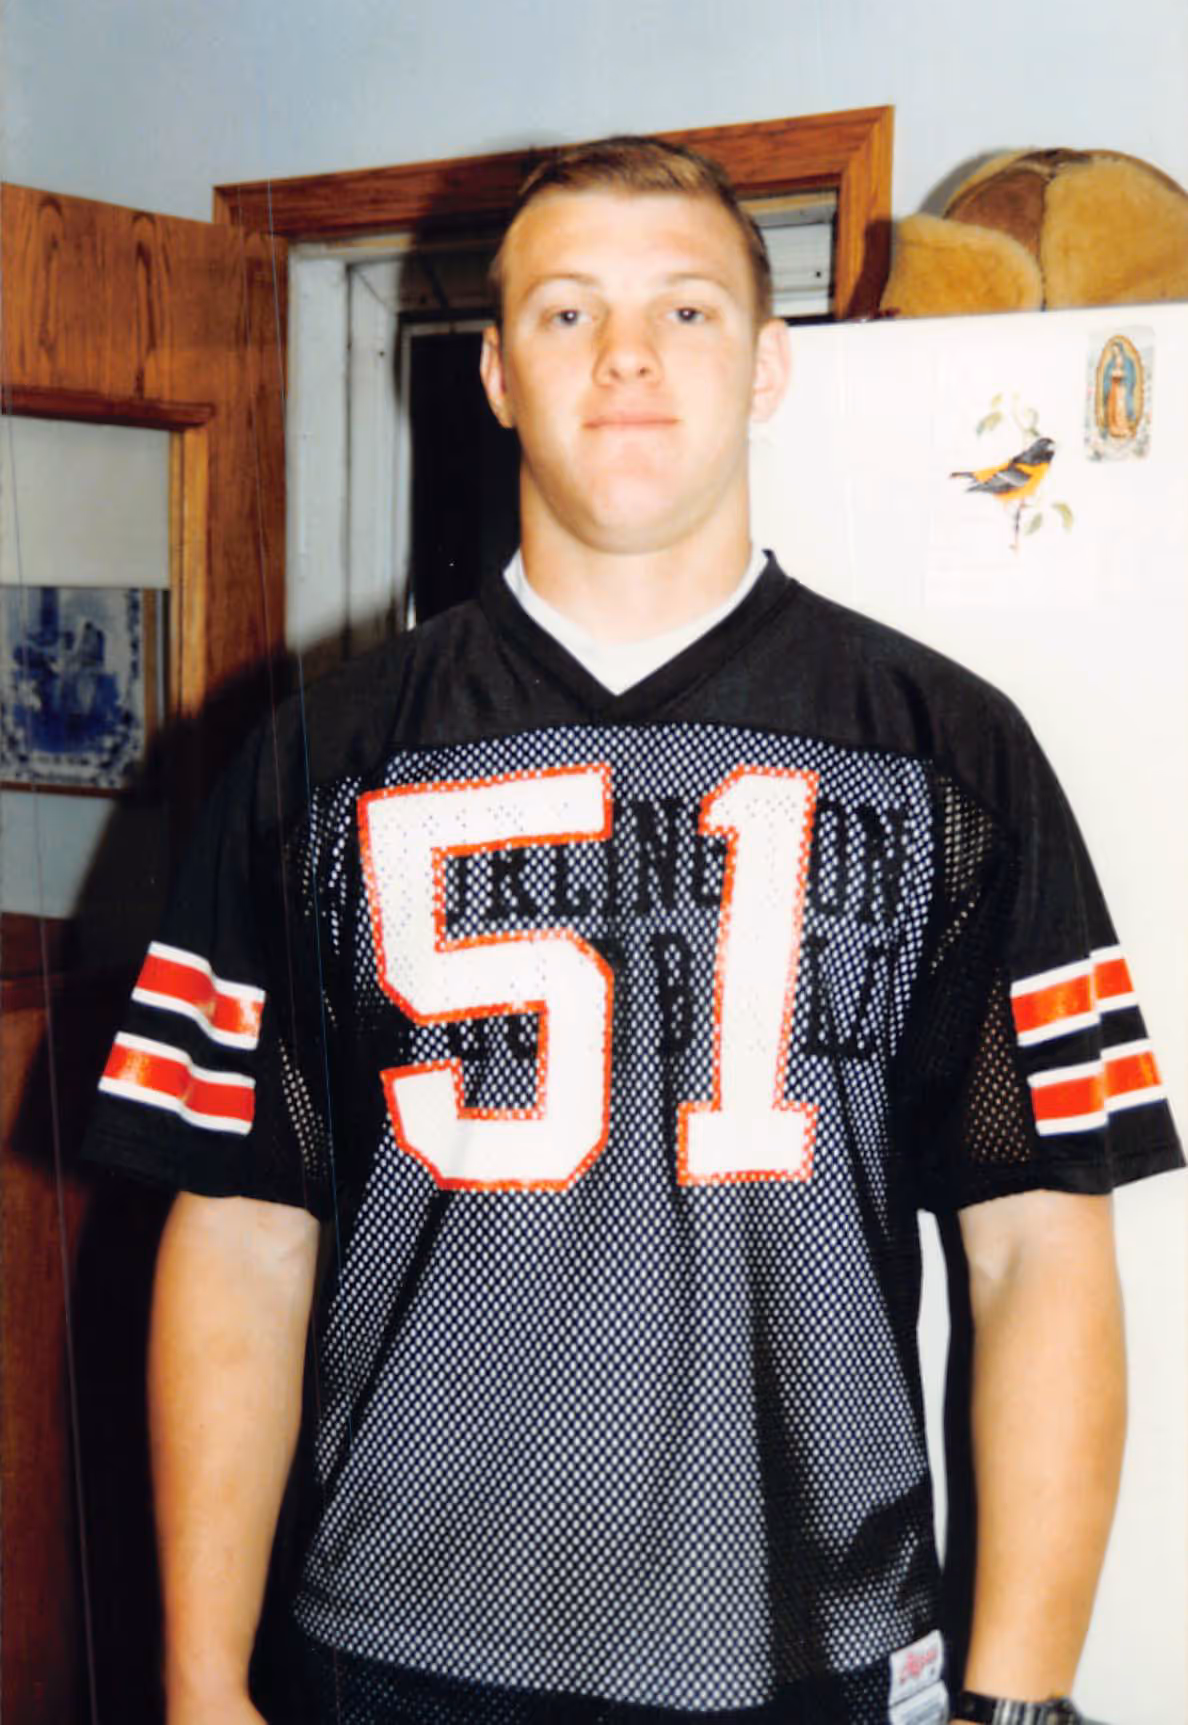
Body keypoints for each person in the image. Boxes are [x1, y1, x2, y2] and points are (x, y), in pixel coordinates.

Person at [84, 137, 1182, 1725]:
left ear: (768, 364)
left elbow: (1036, 1249)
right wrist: (199, 1681)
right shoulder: (320, 757)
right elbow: (246, 1236)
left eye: (684, 312)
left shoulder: (949, 751)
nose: (626, 361)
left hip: (812, 1643)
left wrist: (1022, 1695)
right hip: (391, 1649)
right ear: (496, 376)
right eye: (567, 313)